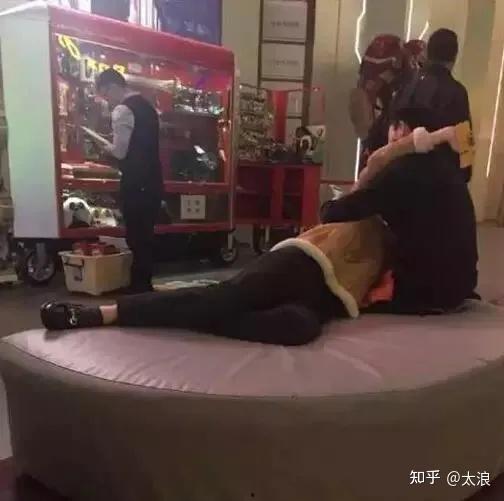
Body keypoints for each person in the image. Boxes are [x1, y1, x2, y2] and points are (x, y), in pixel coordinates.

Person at [40, 110, 476, 344]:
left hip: (335, 293)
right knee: (227, 297)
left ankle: (201, 317)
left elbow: (347, 206)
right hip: (309, 260)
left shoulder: (406, 192)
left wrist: (394, 155)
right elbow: (339, 210)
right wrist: (388, 157)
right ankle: (104, 313)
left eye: (395, 134)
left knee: (297, 326)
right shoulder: (403, 181)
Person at [323, 107, 478, 314]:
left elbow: (334, 214)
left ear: (401, 129)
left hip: (427, 290)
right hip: (461, 284)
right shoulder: (446, 168)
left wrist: (369, 173)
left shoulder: (399, 171)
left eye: (393, 127)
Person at [95, 69, 163, 293]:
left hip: (135, 182)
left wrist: (105, 146)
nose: (107, 100)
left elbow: (120, 152)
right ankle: (143, 283)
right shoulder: (149, 108)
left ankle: (138, 287)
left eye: (106, 94)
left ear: (113, 86)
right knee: (146, 235)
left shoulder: (123, 110)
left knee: (135, 235)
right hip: (153, 180)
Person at [393, 28, 473, 182]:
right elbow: (465, 148)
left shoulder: (407, 85)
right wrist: (464, 176)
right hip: (436, 181)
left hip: (398, 175)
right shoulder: (456, 92)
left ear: (428, 52)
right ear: (454, 56)